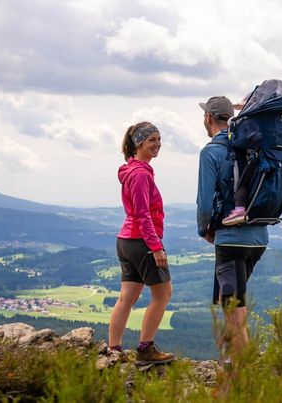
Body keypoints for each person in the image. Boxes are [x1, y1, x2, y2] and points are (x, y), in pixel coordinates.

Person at [196, 96, 269, 362]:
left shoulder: (211, 152)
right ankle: (233, 359)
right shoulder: (252, 146)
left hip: (230, 239)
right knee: (234, 302)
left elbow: (204, 204)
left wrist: (204, 230)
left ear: (208, 118)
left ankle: (244, 367)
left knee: (232, 305)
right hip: (259, 238)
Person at [106, 121, 175, 365]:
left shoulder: (133, 171)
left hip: (127, 240)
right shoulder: (141, 175)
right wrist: (155, 246)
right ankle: (145, 349)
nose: (157, 144)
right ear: (139, 143)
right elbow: (143, 214)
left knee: (127, 297)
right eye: (151, 140)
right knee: (163, 293)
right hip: (141, 241)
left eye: (158, 139)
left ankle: (113, 349)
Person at [219, 90, 282, 228]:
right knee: (271, 183)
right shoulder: (279, 122)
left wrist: (232, 122)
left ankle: (239, 210)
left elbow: (237, 134)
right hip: (279, 160)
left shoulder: (253, 121)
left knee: (244, 183)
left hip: (259, 159)